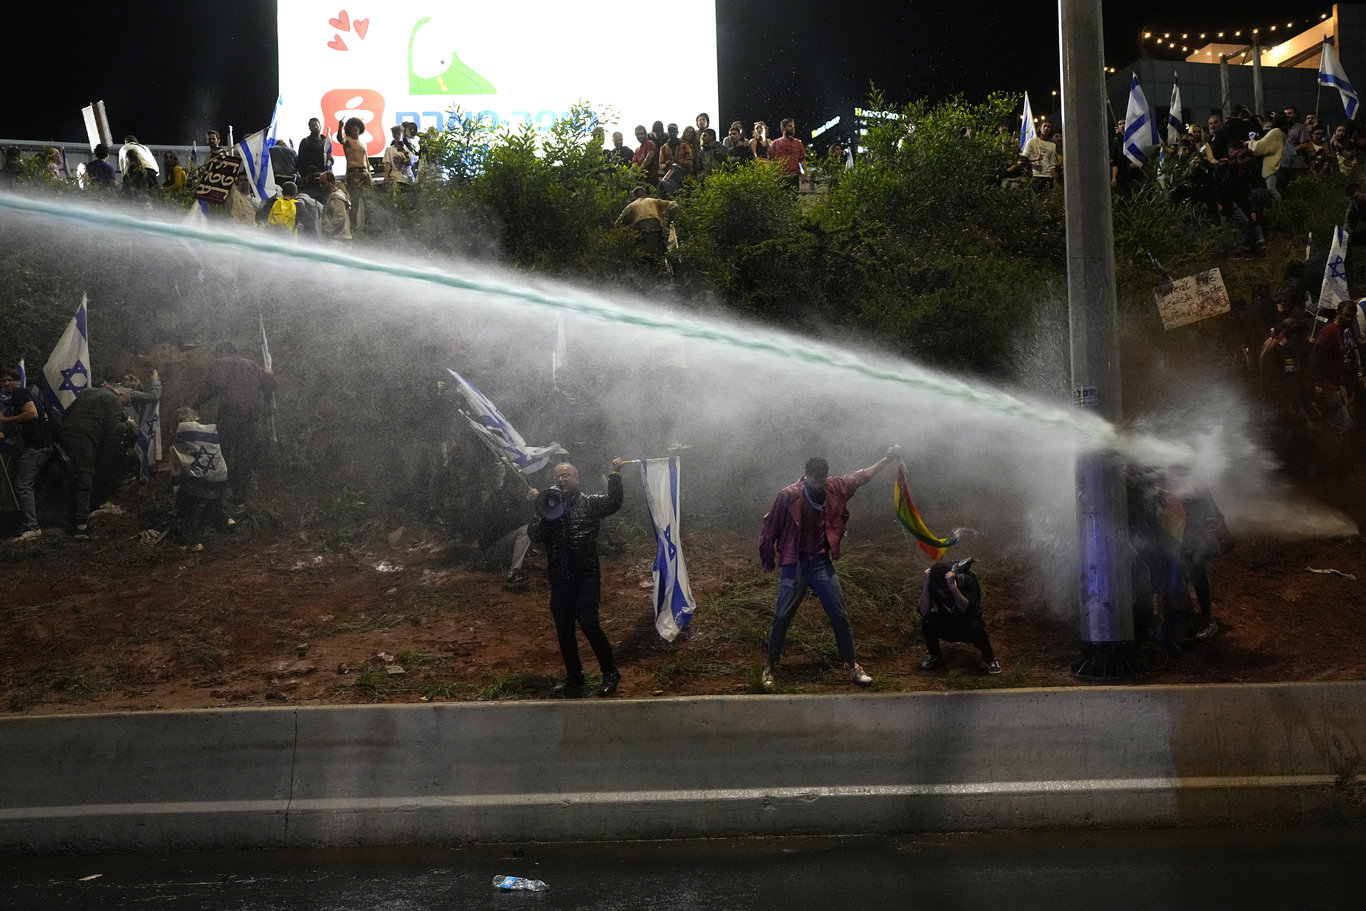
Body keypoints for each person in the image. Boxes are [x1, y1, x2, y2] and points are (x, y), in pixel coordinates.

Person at [757, 448, 898, 689]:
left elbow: (861, 477)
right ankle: (770, 667)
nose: (818, 486)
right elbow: (770, 527)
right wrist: (768, 559)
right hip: (797, 564)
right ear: (806, 477)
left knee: (839, 615)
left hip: (822, 564)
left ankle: (853, 665)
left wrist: (886, 459)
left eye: (821, 482)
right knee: (781, 616)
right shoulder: (789, 495)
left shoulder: (834, 487)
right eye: (814, 482)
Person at [527, 459, 627, 698]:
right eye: (558, 476)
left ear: (577, 479)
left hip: (585, 577)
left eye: (566, 475)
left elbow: (614, 502)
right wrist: (544, 510)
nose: (562, 479)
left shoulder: (590, 503)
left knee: (589, 625)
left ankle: (610, 673)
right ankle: (574, 678)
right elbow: (534, 534)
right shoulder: (548, 506)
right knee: (564, 630)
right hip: (559, 579)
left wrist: (614, 474)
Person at [198, 340, 275, 504]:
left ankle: (217, 493)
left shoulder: (222, 362)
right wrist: (269, 374)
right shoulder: (253, 366)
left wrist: (196, 404)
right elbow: (271, 385)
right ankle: (240, 495)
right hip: (250, 418)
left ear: (223, 352)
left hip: (230, 414)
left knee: (222, 452)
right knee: (243, 455)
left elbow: (214, 385)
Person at [59, 385, 133, 539]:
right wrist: (128, 424)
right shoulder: (113, 400)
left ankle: (64, 516)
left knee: (72, 475)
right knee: (86, 477)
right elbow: (114, 428)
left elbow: (66, 413)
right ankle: (81, 526)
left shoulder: (89, 391)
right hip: (83, 436)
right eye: (124, 404)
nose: (122, 407)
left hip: (65, 433)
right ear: (120, 395)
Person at [917, 559, 1000, 674]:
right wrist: (927, 583)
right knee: (928, 620)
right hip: (947, 624)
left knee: (976, 627)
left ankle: (989, 658)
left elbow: (967, 610)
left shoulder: (966, 581)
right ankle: (935, 655)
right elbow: (923, 611)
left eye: (944, 588)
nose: (942, 591)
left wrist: (952, 587)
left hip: (966, 625)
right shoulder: (934, 583)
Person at [0, 367, 53, 542]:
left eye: (10, 380)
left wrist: (5, 419)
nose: (7, 383)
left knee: (22, 485)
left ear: (18, 381)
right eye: (4, 381)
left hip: (37, 447)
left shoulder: (19, 394)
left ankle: (32, 527)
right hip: (40, 445)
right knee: (27, 484)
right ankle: (29, 521)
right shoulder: (24, 394)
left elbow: (31, 413)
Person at [168, 406, 230, 552]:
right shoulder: (210, 432)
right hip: (222, 481)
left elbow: (177, 472)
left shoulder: (181, 436)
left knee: (185, 503)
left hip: (202, 484)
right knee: (211, 502)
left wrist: (177, 492)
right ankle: (226, 521)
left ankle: (190, 541)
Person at [1311, 300, 1356, 437]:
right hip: (1326, 386)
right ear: (1338, 313)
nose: (1349, 319)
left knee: (1334, 423)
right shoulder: (1330, 331)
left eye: (1352, 316)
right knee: (1345, 425)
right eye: (1346, 315)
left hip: (1333, 386)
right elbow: (1316, 354)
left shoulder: (1341, 332)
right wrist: (1318, 382)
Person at [615, 186, 678, 269]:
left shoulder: (630, 206)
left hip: (640, 235)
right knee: (659, 259)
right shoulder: (653, 201)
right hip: (656, 231)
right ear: (645, 193)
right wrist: (668, 222)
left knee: (643, 262)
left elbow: (617, 223)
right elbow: (674, 205)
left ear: (635, 196)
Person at [335, 116, 371, 230]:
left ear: (360, 128)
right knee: (354, 202)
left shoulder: (362, 143)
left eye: (357, 126)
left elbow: (367, 160)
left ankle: (369, 227)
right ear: (349, 129)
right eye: (353, 127)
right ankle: (353, 229)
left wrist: (369, 174)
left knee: (370, 201)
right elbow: (340, 139)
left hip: (365, 174)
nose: (355, 128)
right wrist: (340, 127)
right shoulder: (347, 140)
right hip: (354, 173)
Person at [767, 118, 807, 190]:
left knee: (794, 196)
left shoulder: (798, 143)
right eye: (790, 126)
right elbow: (770, 160)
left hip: (794, 177)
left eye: (793, 126)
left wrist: (805, 173)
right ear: (783, 128)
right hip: (780, 177)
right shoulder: (775, 143)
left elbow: (802, 160)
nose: (792, 128)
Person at [296, 118, 331, 195]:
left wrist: (331, 159)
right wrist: (305, 176)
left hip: (324, 178)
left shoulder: (326, 141)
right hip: (311, 178)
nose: (315, 127)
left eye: (316, 125)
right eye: (313, 126)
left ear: (320, 126)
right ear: (310, 128)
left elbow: (329, 160)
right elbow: (301, 160)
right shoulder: (306, 142)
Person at [1025, 121, 1059, 190]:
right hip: (1035, 175)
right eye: (1044, 126)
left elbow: (1052, 164)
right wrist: (1035, 159)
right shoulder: (1032, 141)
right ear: (1040, 128)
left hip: (1048, 176)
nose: (1046, 128)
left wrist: (1055, 178)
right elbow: (1023, 159)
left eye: (1048, 127)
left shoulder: (1052, 145)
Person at [319, 171, 352, 240]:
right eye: (320, 183)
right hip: (336, 239)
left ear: (332, 182)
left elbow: (339, 218)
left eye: (323, 183)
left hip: (338, 240)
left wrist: (327, 229)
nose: (321, 186)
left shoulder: (337, 197)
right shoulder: (333, 196)